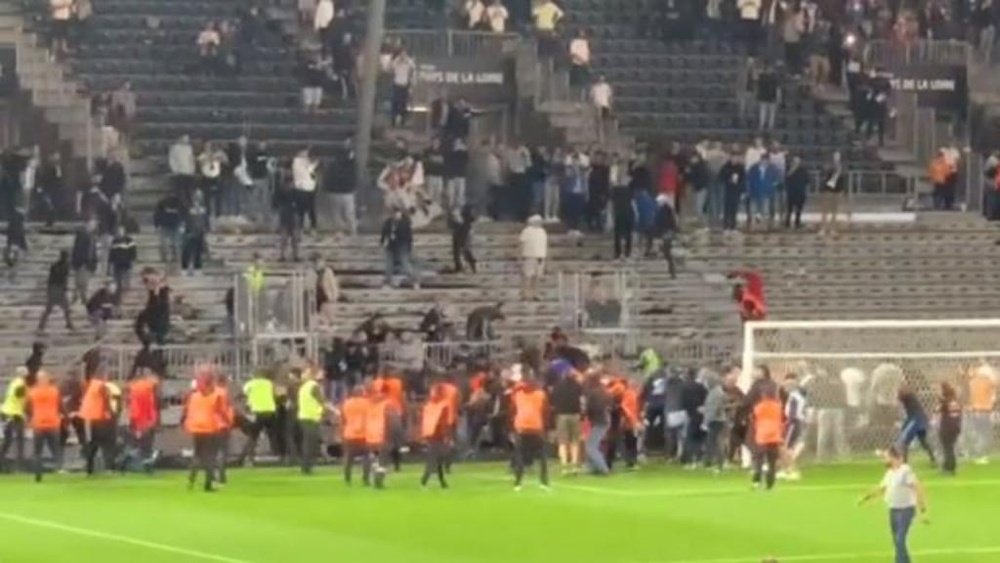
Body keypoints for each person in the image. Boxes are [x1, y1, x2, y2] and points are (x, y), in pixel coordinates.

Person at [858, 446, 929, 563]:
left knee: (900, 540)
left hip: (905, 510)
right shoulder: (890, 473)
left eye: (887, 458)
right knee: (897, 541)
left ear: (895, 458)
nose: (885, 460)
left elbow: (918, 487)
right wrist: (866, 497)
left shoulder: (905, 472)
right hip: (893, 510)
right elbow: (881, 488)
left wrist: (922, 509)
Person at [183, 371, 226, 492]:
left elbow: (187, 410)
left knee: (197, 455)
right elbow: (221, 412)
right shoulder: (215, 396)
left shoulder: (194, 396)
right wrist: (226, 423)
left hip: (196, 427)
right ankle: (208, 483)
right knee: (209, 457)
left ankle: (190, 480)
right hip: (209, 427)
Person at [511, 376, 550, 491]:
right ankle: (544, 482)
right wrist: (545, 427)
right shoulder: (541, 395)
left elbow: (512, 411)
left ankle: (518, 483)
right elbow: (546, 411)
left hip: (521, 428)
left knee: (520, 456)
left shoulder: (518, 396)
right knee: (542, 456)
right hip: (536, 428)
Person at [26, 370, 62, 482]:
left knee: (38, 451)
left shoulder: (32, 392)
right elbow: (60, 405)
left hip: (39, 424)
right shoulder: (54, 391)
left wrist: (30, 419)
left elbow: (27, 408)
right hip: (52, 423)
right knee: (55, 448)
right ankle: (59, 468)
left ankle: (38, 474)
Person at [239, 370, 278, 465]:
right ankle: (278, 454)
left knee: (253, 435)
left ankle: (248, 458)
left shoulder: (250, 384)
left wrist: (247, 406)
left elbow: (242, 395)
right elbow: (275, 395)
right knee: (273, 434)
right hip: (270, 410)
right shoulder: (269, 383)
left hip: (257, 411)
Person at [80, 372, 115, 475]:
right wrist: (108, 412)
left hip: (89, 417)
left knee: (93, 443)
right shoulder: (101, 385)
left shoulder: (90, 385)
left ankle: (89, 468)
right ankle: (108, 467)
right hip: (97, 417)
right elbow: (105, 399)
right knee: (106, 443)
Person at [550, 368, 583, 475]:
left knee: (562, 442)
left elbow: (552, 400)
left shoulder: (557, 386)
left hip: (561, 415)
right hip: (575, 415)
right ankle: (574, 466)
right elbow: (582, 400)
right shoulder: (578, 386)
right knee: (575, 441)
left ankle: (564, 466)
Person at [298, 366, 330, 475]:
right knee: (310, 443)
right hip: (311, 417)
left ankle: (306, 466)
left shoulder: (303, 387)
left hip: (304, 416)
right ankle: (307, 467)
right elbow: (321, 400)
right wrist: (328, 410)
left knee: (309, 443)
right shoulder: (314, 386)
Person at [420, 383, 452, 488]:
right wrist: (447, 436)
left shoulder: (428, 406)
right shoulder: (443, 405)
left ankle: (441, 481)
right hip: (438, 435)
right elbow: (444, 423)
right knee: (436, 458)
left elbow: (424, 421)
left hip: (430, 434)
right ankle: (425, 478)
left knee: (436, 458)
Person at [751, 385, 783, 490]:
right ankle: (770, 483)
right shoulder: (778, 407)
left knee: (759, 460)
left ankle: (757, 480)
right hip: (774, 436)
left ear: (763, 395)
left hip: (762, 436)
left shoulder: (759, 407)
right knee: (772, 462)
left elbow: (754, 417)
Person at [126, 368, 159, 470]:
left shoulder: (134, 387)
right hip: (145, 417)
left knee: (140, 441)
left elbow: (131, 402)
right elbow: (151, 403)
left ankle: (135, 459)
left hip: (137, 416)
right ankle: (142, 462)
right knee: (146, 442)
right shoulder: (148, 386)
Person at [897, 385, 937, 466]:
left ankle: (904, 463)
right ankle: (933, 458)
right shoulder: (912, 397)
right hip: (921, 420)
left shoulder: (907, 397)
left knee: (905, 441)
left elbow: (900, 397)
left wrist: (900, 393)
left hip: (914, 420)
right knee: (923, 441)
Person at [380, 208, 419, 289]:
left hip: (402, 246)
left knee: (405, 265)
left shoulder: (405, 223)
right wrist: (382, 242)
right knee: (388, 266)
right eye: (394, 213)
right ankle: (387, 282)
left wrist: (409, 247)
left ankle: (414, 280)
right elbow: (384, 233)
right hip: (391, 247)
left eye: (398, 213)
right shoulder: (388, 222)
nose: (396, 215)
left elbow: (408, 237)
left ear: (401, 214)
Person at [0, 366, 30, 472]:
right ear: (24, 374)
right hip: (14, 414)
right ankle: (19, 466)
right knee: (19, 440)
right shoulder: (21, 384)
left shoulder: (13, 383)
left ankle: (2, 462)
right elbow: (19, 397)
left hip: (6, 412)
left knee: (8, 441)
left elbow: (10, 397)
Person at [779, 373, 807, 481]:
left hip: (793, 423)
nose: (785, 388)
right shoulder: (797, 395)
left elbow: (793, 413)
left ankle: (793, 470)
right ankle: (785, 470)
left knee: (785, 448)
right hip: (795, 422)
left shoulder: (794, 396)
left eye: (787, 386)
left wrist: (788, 424)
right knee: (786, 448)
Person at [37, 250, 74, 333]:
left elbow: (60, 279)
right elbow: (57, 279)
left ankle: (42, 325)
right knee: (53, 308)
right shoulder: (60, 266)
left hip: (56, 289)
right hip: (56, 289)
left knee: (63, 308)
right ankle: (41, 325)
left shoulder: (61, 266)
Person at [364, 384, 391, 488]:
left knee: (373, 459)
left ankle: (369, 479)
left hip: (370, 437)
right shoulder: (386, 405)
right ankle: (378, 482)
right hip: (381, 436)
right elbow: (391, 421)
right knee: (382, 460)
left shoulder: (367, 404)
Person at [341, 385, 369, 485]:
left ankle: (347, 478)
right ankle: (365, 479)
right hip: (364, 434)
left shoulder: (347, 403)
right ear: (362, 393)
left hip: (349, 433)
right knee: (367, 457)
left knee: (348, 457)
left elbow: (343, 418)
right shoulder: (367, 403)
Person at [519, 215, 547, 300]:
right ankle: (526, 294)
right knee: (528, 276)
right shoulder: (526, 231)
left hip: (540, 257)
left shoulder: (542, 231)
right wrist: (520, 255)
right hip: (529, 256)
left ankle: (536, 294)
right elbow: (521, 243)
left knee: (537, 277)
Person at [70, 221, 98, 305]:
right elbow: (81, 251)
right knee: (81, 282)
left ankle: (78, 297)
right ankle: (81, 297)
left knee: (80, 281)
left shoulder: (90, 237)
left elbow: (92, 251)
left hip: (84, 263)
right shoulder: (84, 237)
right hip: (83, 262)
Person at [937, 382, 961, 476]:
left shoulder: (944, 402)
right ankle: (946, 466)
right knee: (950, 447)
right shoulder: (956, 400)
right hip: (956, 426)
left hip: (947, 427)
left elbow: (938, 410)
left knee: (948, 448)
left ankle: (950, 467)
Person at [154, 191, 185, 263]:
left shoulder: (163, 203)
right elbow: (183, 214)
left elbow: (157, 214)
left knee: (166, 243)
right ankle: (172, 256)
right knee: (174, 243)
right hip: (173, 224)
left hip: (168, 225)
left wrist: (157, 225)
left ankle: (166, 257)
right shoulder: (178, 203)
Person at [819, 151, 846, 235]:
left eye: (838, 156)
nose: (837, 158)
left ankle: (833, 229)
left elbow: (842, 180)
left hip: (837, 190)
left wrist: (842, 190)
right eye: (835, 156)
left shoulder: (842, 168)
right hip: (828, 190)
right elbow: (824, 176)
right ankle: (823, 228)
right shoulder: (828, 166)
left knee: (834, 211)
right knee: (825, 210)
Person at [108, 225, 136, 303]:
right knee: (118, 282)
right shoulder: (114, 241)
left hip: (126, 264)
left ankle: (127, 298)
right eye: (118, 231)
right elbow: (111, 254)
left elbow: (133, 252)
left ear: (124, 231)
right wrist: (110, 264)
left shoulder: (129, 240)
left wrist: (132, 261)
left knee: (126, 281)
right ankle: (119, 298)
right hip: (117, 265)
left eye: (121, 231)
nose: (119, 233)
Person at [652, 195, 677, 278]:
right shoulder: (669, 210)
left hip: (665, 233)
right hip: (669, 233)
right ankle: (672, 270)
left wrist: (656, 234)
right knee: (667, 251)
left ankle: (672, 270)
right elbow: (673, 223)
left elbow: (658, 223)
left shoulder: (661, 212)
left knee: (667, 252)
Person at [390, 50, 415, 127]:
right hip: (397, 84)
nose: (402, 55)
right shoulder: (396, 61)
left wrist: (406, 60)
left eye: (404, 54)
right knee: (395, 103)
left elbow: (412, 68)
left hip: (405, 84)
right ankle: (393, 121)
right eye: (401, 54)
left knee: (403, 104)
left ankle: (403, 121)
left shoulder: (409, 61)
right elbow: (391, 68)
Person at [448, 204, 477, 273]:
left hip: (464, 233)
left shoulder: (466, 225)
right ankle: (462, 266)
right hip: (464, 231)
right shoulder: (466, 225)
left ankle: (462, 266)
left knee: (463, 249)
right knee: (463, 249)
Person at [784, 155, 809, 229]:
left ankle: (797, 222)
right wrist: (792, 170)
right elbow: (786, 178)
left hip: (800, 192)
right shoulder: (789, 169)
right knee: (789, 209)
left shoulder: (803, 170)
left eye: (798, 161)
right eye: (795, 161)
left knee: (799, 209)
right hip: (791, 192)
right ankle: (787, 222)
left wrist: (805, 193)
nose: (796, 163)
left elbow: (807, 182)